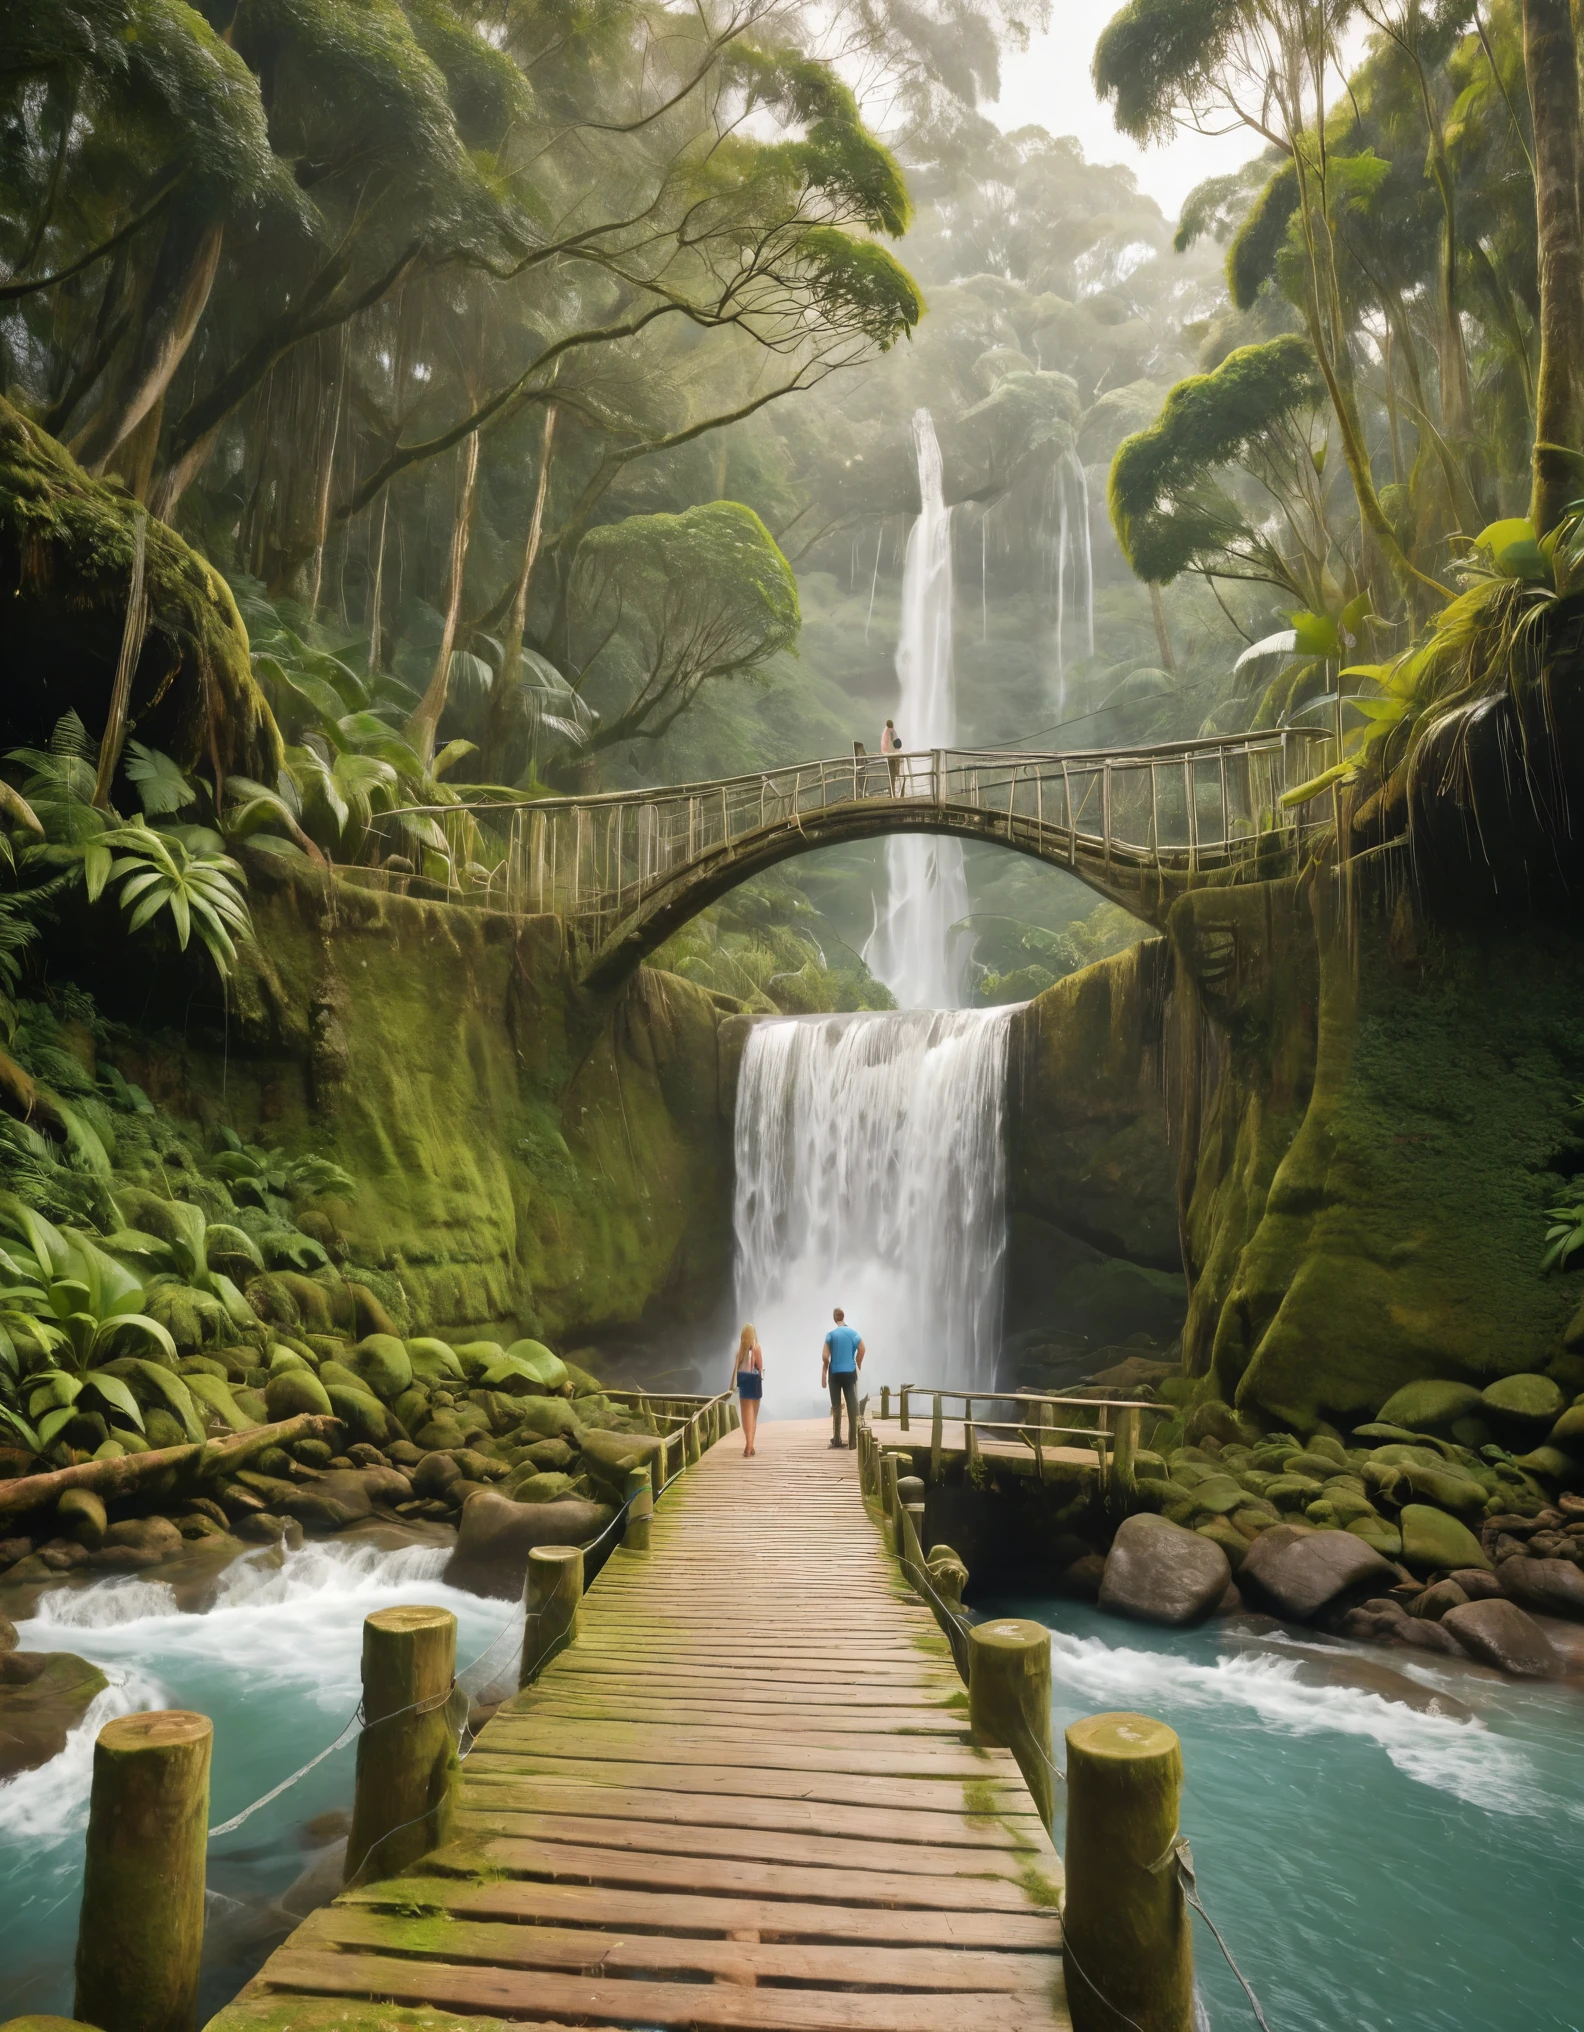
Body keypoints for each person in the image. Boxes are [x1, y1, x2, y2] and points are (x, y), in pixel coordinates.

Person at [821, 1307, 864, 1449]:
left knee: (836, 1406)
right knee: (852, 1406)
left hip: (835, 1373)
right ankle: (852, 1442)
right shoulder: (853, 1334)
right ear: (843, 1317)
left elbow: (825, 1357)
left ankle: (837, 1439)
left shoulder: (831, 1335)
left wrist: (825, 1369)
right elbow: (862, 1348)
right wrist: (858, 1361)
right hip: (850, 1372)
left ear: (834, 1318)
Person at [732, 1323, 763, 1456]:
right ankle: (750, 1446)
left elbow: (736, 1369)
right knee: (754, 1415)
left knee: (745, 1415)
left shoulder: (739, 1350)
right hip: (754, 1381)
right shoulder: (756, 1347)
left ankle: (748, 1444)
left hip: (743, 1381)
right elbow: (760, 1366)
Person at [882, 718, 903, 794]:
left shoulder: (885, 732)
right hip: (893, 755)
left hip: (888, 755)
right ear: (892, 725)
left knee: (891, 774)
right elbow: (897, 743)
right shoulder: (891, 731)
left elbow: (884, 744)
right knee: (895, 773)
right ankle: (894, 791)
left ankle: (892, 791)